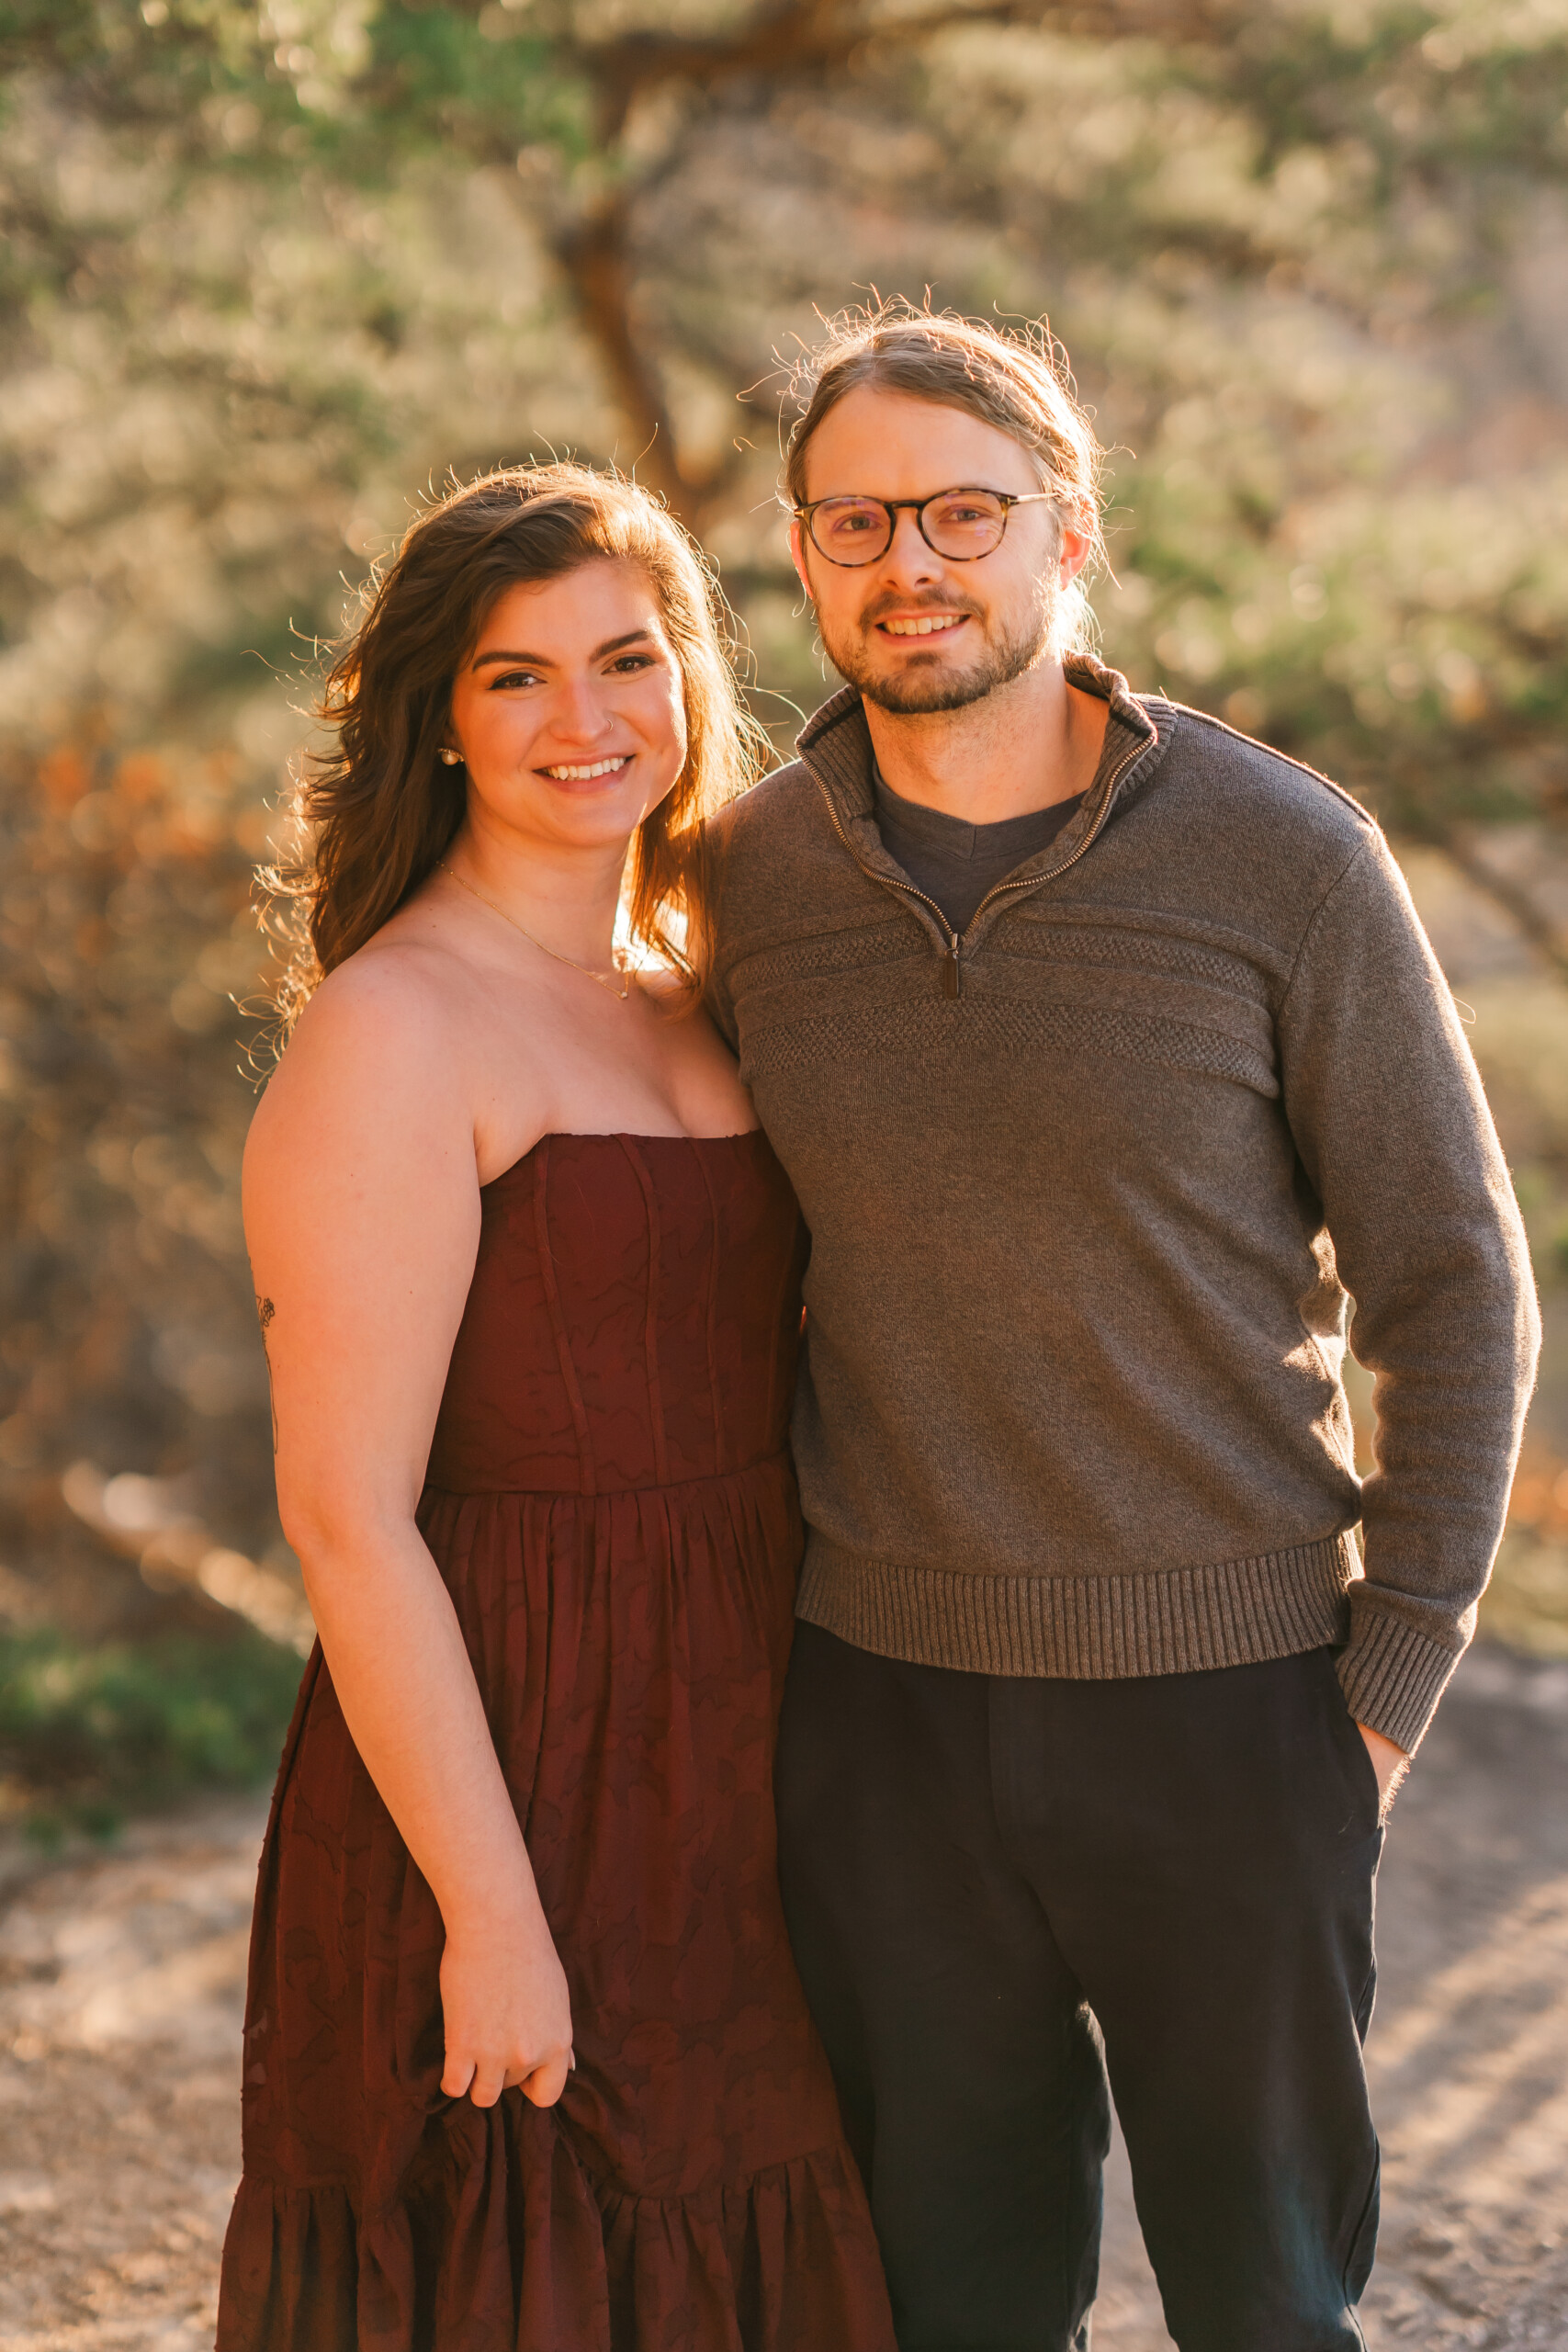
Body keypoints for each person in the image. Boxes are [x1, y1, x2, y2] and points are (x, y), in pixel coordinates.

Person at [705, 306, 1541, 2352]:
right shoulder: (745, 886)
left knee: (1266, 2301)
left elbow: (1449, 1276)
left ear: (1066, 531)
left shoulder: (1282, 857)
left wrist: (1380, 1686)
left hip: (1232, 1708)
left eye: (962, 512)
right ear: (804, 557)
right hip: (879, 1715)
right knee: (947, 2303)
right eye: (854, 523)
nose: (910, 563)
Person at [217, 465, 896, 2352]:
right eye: (516, 677)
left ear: (689, 678)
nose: (583, 721)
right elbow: (347, 1512)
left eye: (625, 658)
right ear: (436, 712)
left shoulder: (696, 989)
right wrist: (489, 1909)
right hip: (513, 1746)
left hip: (748, 1732)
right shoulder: (393, 1027)